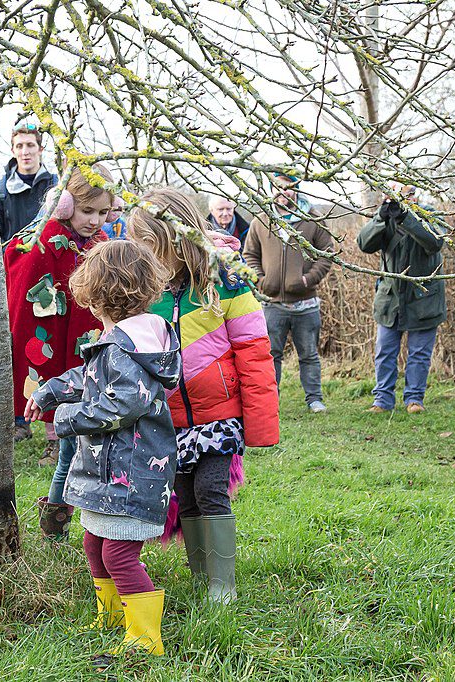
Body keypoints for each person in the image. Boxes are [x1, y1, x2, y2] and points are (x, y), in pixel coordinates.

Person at [27, 239, 180, 659]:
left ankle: (146, 638)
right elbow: (92, 377)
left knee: (118, 553)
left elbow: (121, 402)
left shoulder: (125, 345)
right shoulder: (128, 338)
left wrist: (66, 419)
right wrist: (51, 391)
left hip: (131, 473)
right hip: (112, 469)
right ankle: (111, 614)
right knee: (95, 543)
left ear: (99, 297)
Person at [129, 187, 279, 604]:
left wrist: (261, 421)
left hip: (220, 413)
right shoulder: (144, 290)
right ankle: (202, 575)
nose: (143, 254)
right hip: (170, 419)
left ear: (174, 238)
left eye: (148, 244)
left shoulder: (225, 280)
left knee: (212, 489)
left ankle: (222, 585)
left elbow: (253, 349)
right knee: (187, 496)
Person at [4, 165, 113, 535]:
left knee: (75, 447)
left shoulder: (98, 244)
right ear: (65, 205)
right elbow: (25, 296)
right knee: (71, 447)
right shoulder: (46, 240)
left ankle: (60, 518)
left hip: (89, 358)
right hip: (63, 364)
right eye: (88, 211)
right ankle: (57, 522)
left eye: (103, 213)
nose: (95, 220)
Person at [245, 174, 334, 413]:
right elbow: (250, 255)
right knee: (270, 355)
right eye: (278, 187)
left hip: (306, 304)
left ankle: (314, 399)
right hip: (272, 303)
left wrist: (307, 279)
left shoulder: (312, 219)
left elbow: (326, 254)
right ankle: (270, 400)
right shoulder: (262, 220)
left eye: (289, 188)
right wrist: (261, 280)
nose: (283, 192)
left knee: (308, 354)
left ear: (296, 190)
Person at [357, 184, 446, 414]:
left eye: (407, 193)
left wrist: (407, 218)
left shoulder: (430, 214)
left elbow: (434, 241)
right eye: (396, 194)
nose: (403, 198)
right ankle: (382, 400)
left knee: (419, 353)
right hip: (391, 299)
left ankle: (414, 400)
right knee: (385, 350)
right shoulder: (386, 216)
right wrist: (380, 216)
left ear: (414, 194)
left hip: (423, 298)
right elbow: (364, 244)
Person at [0, 122, 59, 242]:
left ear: (40, 149)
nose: (25, 152)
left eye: (30, 145)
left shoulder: (56, 185)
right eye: (19, 146)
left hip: (47, 256)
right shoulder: (0, 188)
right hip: (11, 258)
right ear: (13, 151)